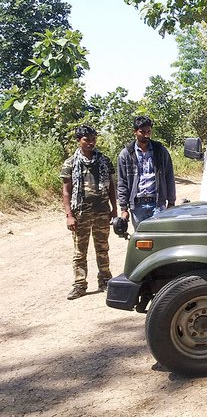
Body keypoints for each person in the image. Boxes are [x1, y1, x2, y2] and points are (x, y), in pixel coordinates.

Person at [60, 125, 117, 300]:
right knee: (79, 252)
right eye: (86, 139)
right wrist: (69, 215)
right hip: (80, 214)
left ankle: (105, 281)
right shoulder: (70, 163)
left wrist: (114, 209)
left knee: (102, 248)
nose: (91, 143)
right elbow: (66, 191)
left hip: (101, 212)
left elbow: (111, 186)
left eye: (93, 139)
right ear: (79, 141)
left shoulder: (104, 160)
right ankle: (79, 285)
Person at [117, 115, 176, 227]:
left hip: (158, 204)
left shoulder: (160, 151)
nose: (146, 135)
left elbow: (169, 176)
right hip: (138, 206)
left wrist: (171, 202)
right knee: (142, 240)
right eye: (142, 132)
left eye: (148, 131)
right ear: (134, 131)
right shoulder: (126, 154)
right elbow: (122, 182)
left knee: (160, 238)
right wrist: (124, 208)